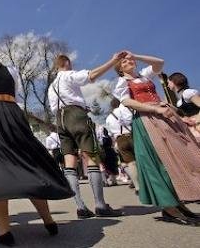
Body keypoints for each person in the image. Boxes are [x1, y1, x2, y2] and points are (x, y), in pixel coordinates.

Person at [0, 40, 74, 245]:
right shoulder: (11, 71)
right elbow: (15, 96)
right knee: (27, 164)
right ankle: (48, 220)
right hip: (13, 116)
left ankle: (4, 230)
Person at [113, 52, 200, 226]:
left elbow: (160, 63)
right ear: (120, 68)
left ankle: (178, 201)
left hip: (166, 116)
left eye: (130, 60)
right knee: (162, 160)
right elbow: (128, 102)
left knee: (185, 151)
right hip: (148, 120)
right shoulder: (122, 82)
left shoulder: (144, 75)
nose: (129, 61)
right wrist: (155, 110)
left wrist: (135, 55)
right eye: (124, 61)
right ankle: (170, 206)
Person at [48, 53, 125, 219]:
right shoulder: (69, 75)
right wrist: (112, 61)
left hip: (60, 120)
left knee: (70, 162)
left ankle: (80, 207)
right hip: (76, 115)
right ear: (66, 63)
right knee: (91, 156)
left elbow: (54, 106)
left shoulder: (52, 85)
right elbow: (91, 75)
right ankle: (100, 205)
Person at [105, 98, 139, 193]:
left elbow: (110, 134)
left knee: (130, 163)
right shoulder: (125, 110)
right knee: (140, 160)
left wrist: (115, 144)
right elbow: (132, 120)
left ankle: (137, 186)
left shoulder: (108, 118)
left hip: (120, 139)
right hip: (132, 135)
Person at [167, 72, 200, 139]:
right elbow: (182, 113)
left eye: (168, 82)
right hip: (194, 128)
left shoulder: (187, 93)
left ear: (174, 81)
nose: (167, 85)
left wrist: (197, 121)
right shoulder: (181, 99)